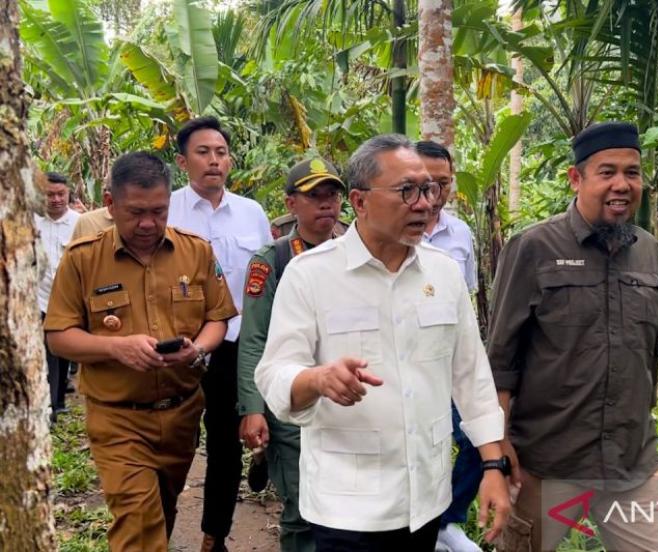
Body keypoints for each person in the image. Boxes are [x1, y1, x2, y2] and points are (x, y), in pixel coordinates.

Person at [254, 134, 511, 551]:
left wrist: (493, 464)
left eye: (429, 189)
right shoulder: (311, 275)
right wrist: (318, 379)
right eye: (407, 190)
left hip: (425, 498)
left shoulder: (444, 274)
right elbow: (274, 373)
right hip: (347, 504)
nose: (425, 204)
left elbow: (471, 376)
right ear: (360, 201)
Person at [487, 122, 658, 551]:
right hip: (546, 462)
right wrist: (497, 452)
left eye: (632, 173)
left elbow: (649, 356)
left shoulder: (648, 250)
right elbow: (501, 361)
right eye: (607, 172)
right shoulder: (534, 247)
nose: (621, 184)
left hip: (631, 464)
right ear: (576, 178)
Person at [44, 152, 237, 552]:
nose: (148, 223)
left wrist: (197, 349)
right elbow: (59, 336)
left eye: (158, 211)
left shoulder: (196, 252)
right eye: (135, 212)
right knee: (137, 520)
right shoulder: (83, 258)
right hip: (118, 418)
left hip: (182, 413)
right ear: (110, 204)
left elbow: (218, 318)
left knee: (161, 512)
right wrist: (116, 347)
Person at [167, 116, 272, 552]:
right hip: (178, 349)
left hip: (234, 346)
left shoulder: (251, 213)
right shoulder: (166, 210)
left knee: (226, 447)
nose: (214, 160)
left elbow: (264, 279)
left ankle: (214, 537)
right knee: (173, 443)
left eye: (221, 152)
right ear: (182, 161)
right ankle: (157, 532)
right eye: (203, 152)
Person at [238, 158, 346, 552]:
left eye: (332, 195)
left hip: (348, 401)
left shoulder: (358, 250)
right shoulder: (274, 260)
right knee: (302, 512)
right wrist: (253, 408)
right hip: (294, 402)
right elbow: (254, 338)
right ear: (290, 204)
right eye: (314, 196)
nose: (326, 204)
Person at [414, 141, 481, 552]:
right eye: (426, 183)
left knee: (476, 435)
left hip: (451, 361)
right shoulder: (385, 230)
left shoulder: (460, 234)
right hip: (408, 363)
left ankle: (448, 520)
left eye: (443, 182)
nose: (435, 193)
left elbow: (465, 302)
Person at [35, 171, 80, 423]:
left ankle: (59, 400)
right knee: (44, 351)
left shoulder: (79, 223)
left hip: (67, 297)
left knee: (62, 351)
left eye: (60, 194)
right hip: (37, 297)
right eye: (50, 194)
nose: (56, 199)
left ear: (68, 193)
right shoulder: (31, 221)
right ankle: (49, 405)